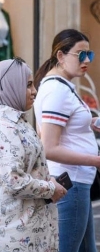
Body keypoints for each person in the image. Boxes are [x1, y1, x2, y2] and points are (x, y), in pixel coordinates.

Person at [33, 29, 100, 252]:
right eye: (80, 54)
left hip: (72, 182)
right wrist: (97, 161)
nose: (86, 61)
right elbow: (49, 147)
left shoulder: (58, 87)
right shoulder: (57, 91)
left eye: (89, 55)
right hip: (70, 183)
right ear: (61, 56)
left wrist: (90, 123)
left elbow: (61, 128)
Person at [0, 57, 66, 251]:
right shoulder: (6, 127)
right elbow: (13, 180)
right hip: (17, 234)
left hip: (32, 229)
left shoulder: (18, 121)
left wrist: (49, 180)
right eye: (28, 85)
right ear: (9, 86)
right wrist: (50, 188)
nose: (34, 91)